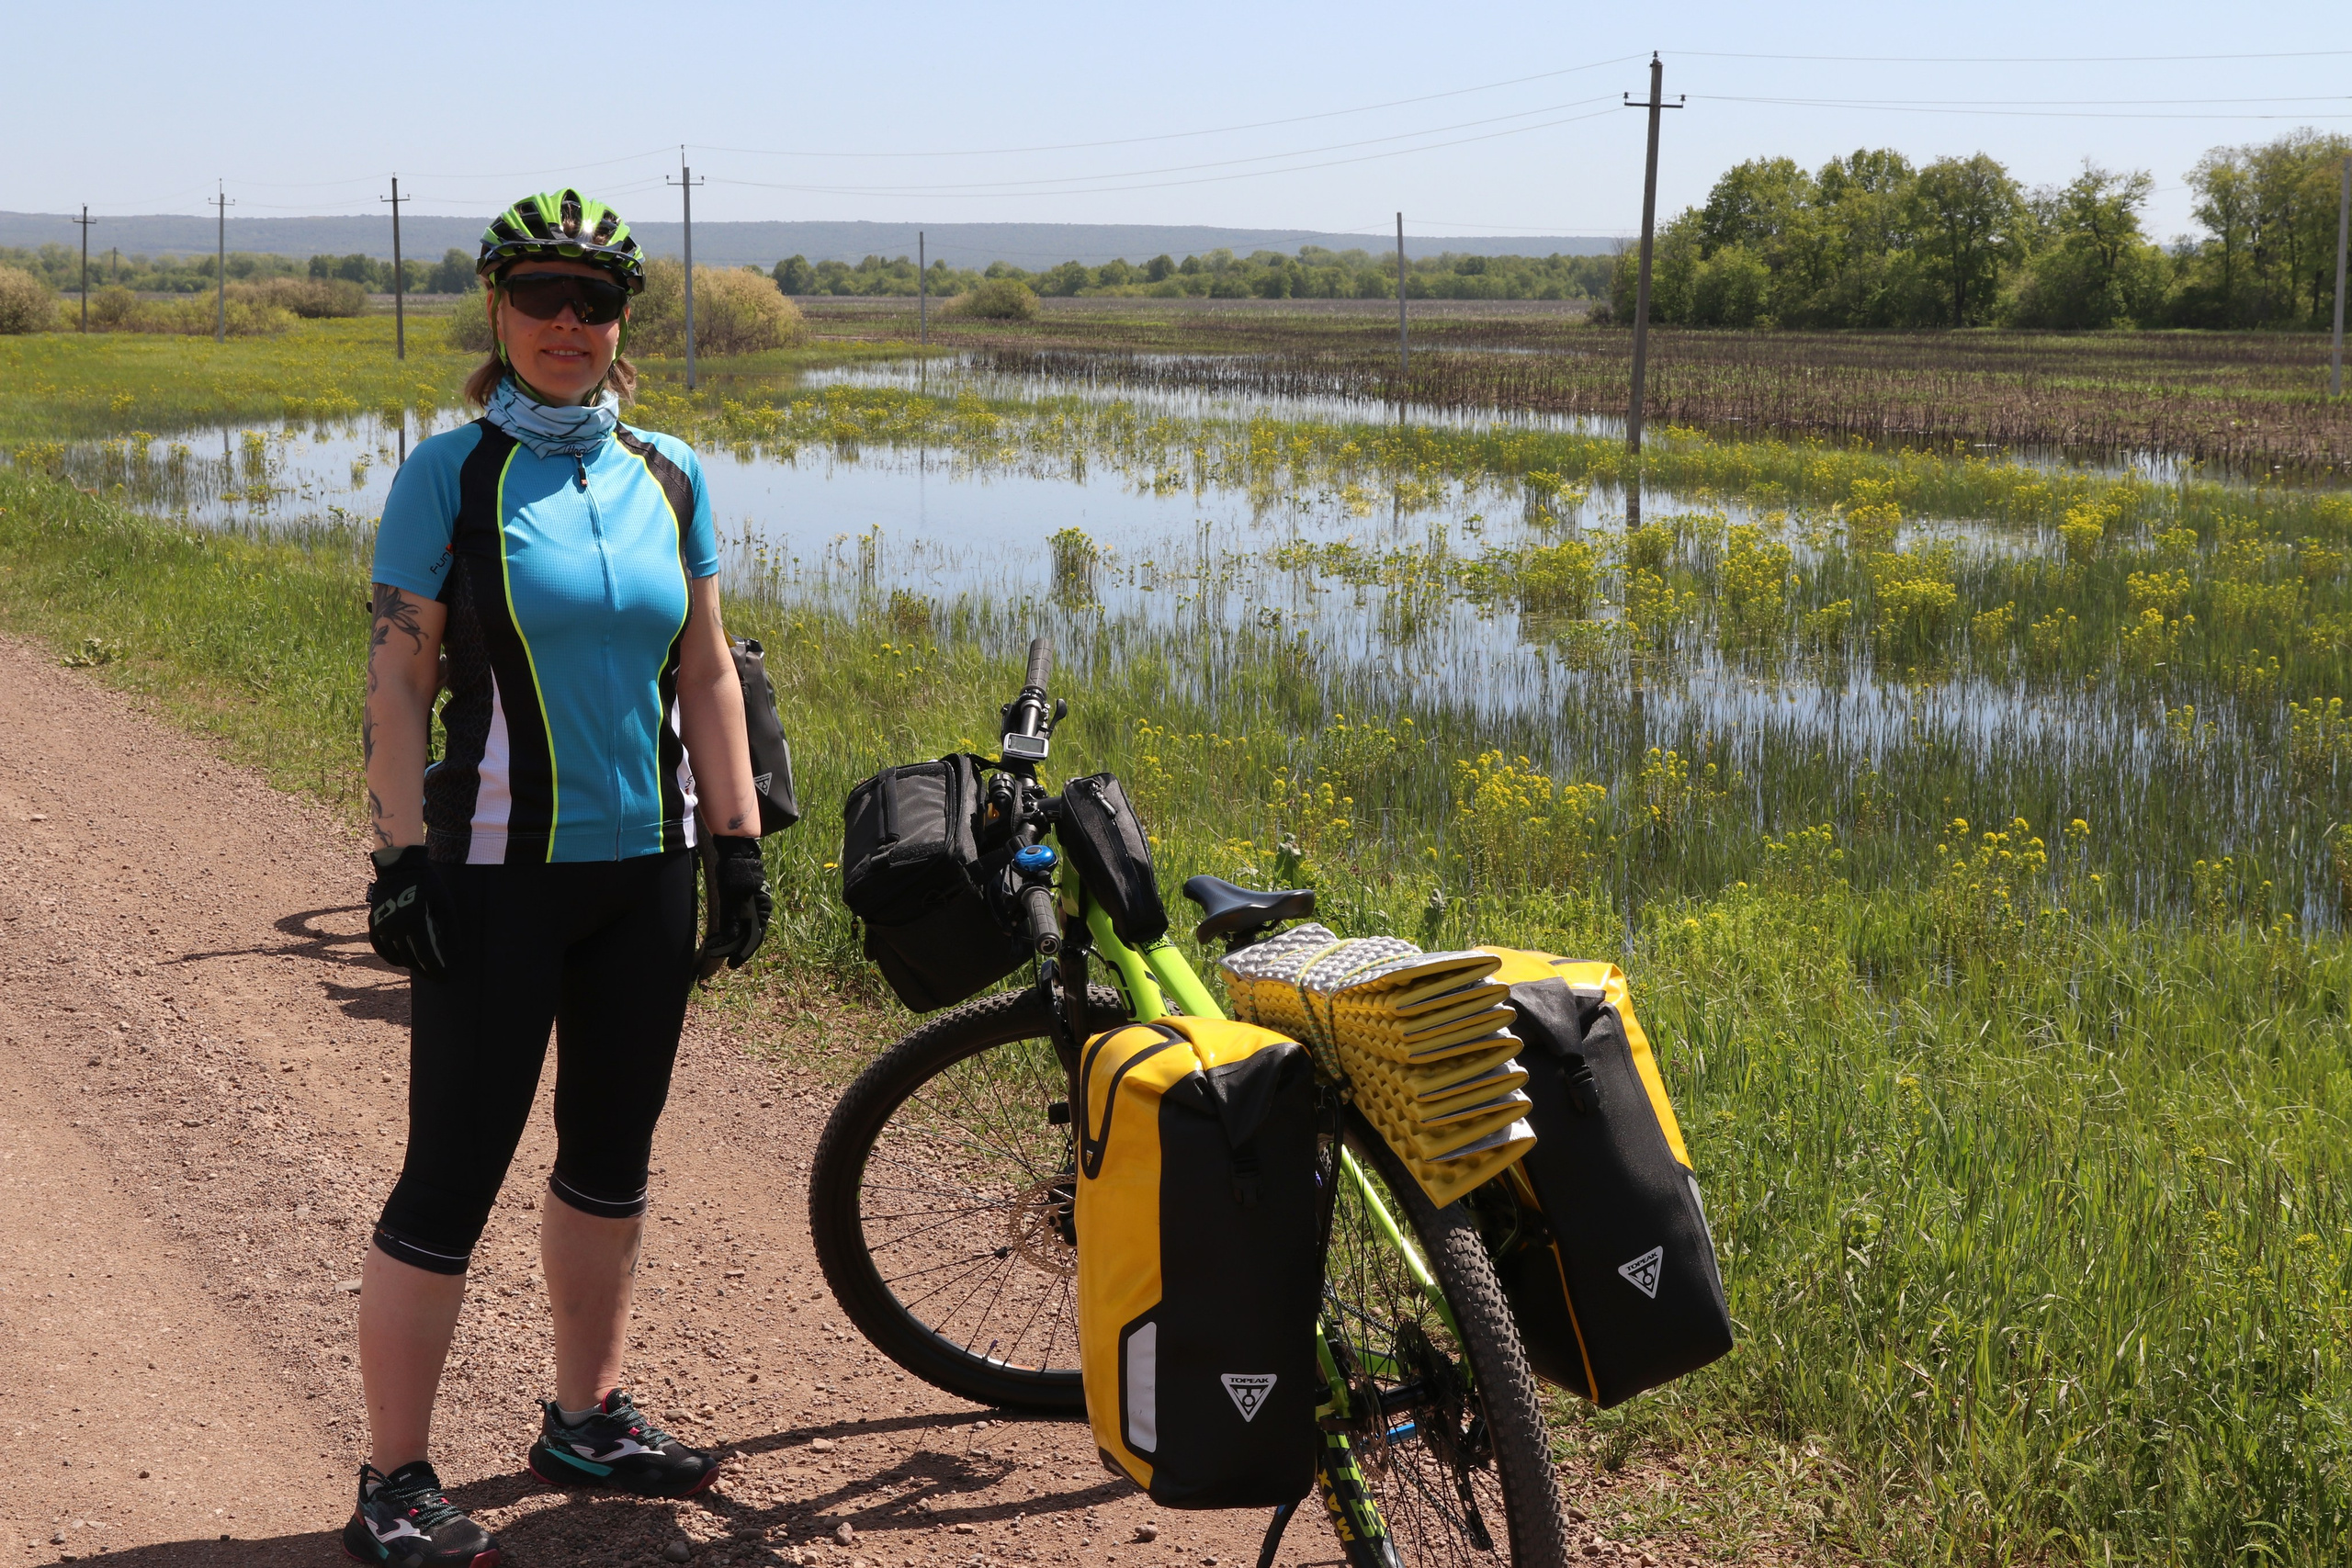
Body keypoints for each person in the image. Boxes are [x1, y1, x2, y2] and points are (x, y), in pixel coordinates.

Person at [348, 188, 773, 1568]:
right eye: (541, 296)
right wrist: (400, 855)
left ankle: (584, 1418)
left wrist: (739, 840)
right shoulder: (449, 475)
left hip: (642, 872)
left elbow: (706, 667)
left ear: (622, 321)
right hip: (492, 873)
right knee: (452, 1173)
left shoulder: (670, 472)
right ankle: (394, 1481)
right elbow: (400, 679)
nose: (569, 324)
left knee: (610, 1158)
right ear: (497, 310)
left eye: (596, 302)